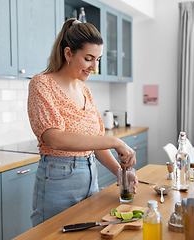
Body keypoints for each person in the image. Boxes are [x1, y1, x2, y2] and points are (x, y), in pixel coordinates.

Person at [28, 18, 138, 227]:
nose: (94, 67)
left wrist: (121, 174)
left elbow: (94, 143)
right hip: (57, 180)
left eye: (98, 59)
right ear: (68, 53)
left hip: (90, 178)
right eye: (89, 58)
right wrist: (115, 142)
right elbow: (55, 139)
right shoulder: (42, 84)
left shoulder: (85, 90)